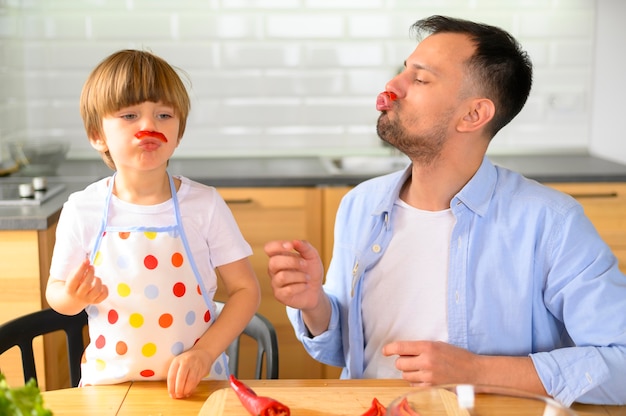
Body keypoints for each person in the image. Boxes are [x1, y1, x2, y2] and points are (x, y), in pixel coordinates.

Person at [264, 15, 626, 406]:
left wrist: (477, 371)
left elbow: (620, 363)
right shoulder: (361, 205)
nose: (393, 86)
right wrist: (315, 303)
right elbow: (343, 352)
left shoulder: (551, 223)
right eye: (404, 70)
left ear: (473, 115)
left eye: (420, 79)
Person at [46, 49, 260, 399]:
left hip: (198, 387)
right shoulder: (82, 209)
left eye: (163, 114)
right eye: (129, 115)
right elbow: (56, 293)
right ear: (97, 134)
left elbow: (246, 291)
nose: (149, 127)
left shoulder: (204, 205)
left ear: (178, 132)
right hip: (109, 389)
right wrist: (71, 296)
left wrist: (204, 354)